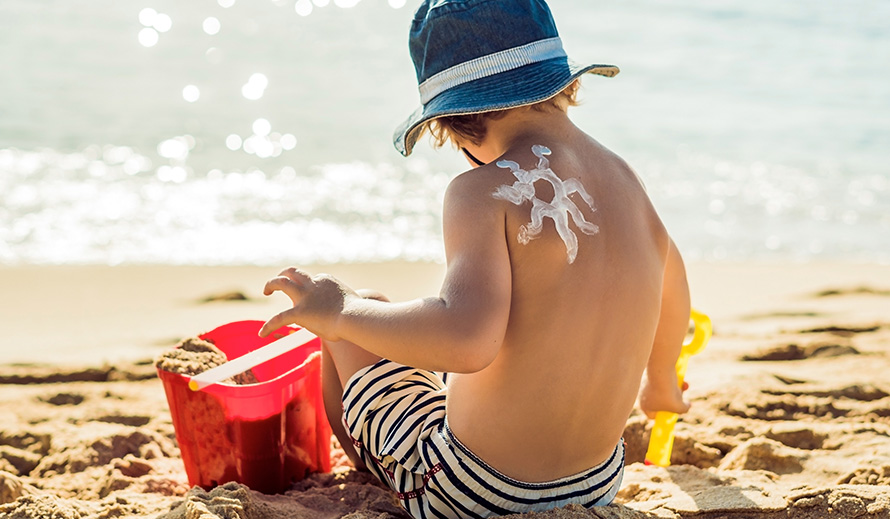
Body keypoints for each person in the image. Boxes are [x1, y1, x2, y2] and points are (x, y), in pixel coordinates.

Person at [260, 0, 691, 517]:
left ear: (455, 123)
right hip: (595, 483)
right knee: (409, 341)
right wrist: (660, 378)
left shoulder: (481, 191)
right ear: (562, 81)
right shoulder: (624, 177)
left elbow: (467, 342)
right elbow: (672, 279)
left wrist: (339, 311)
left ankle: (372, 467)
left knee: (353, 324)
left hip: (474, 490)